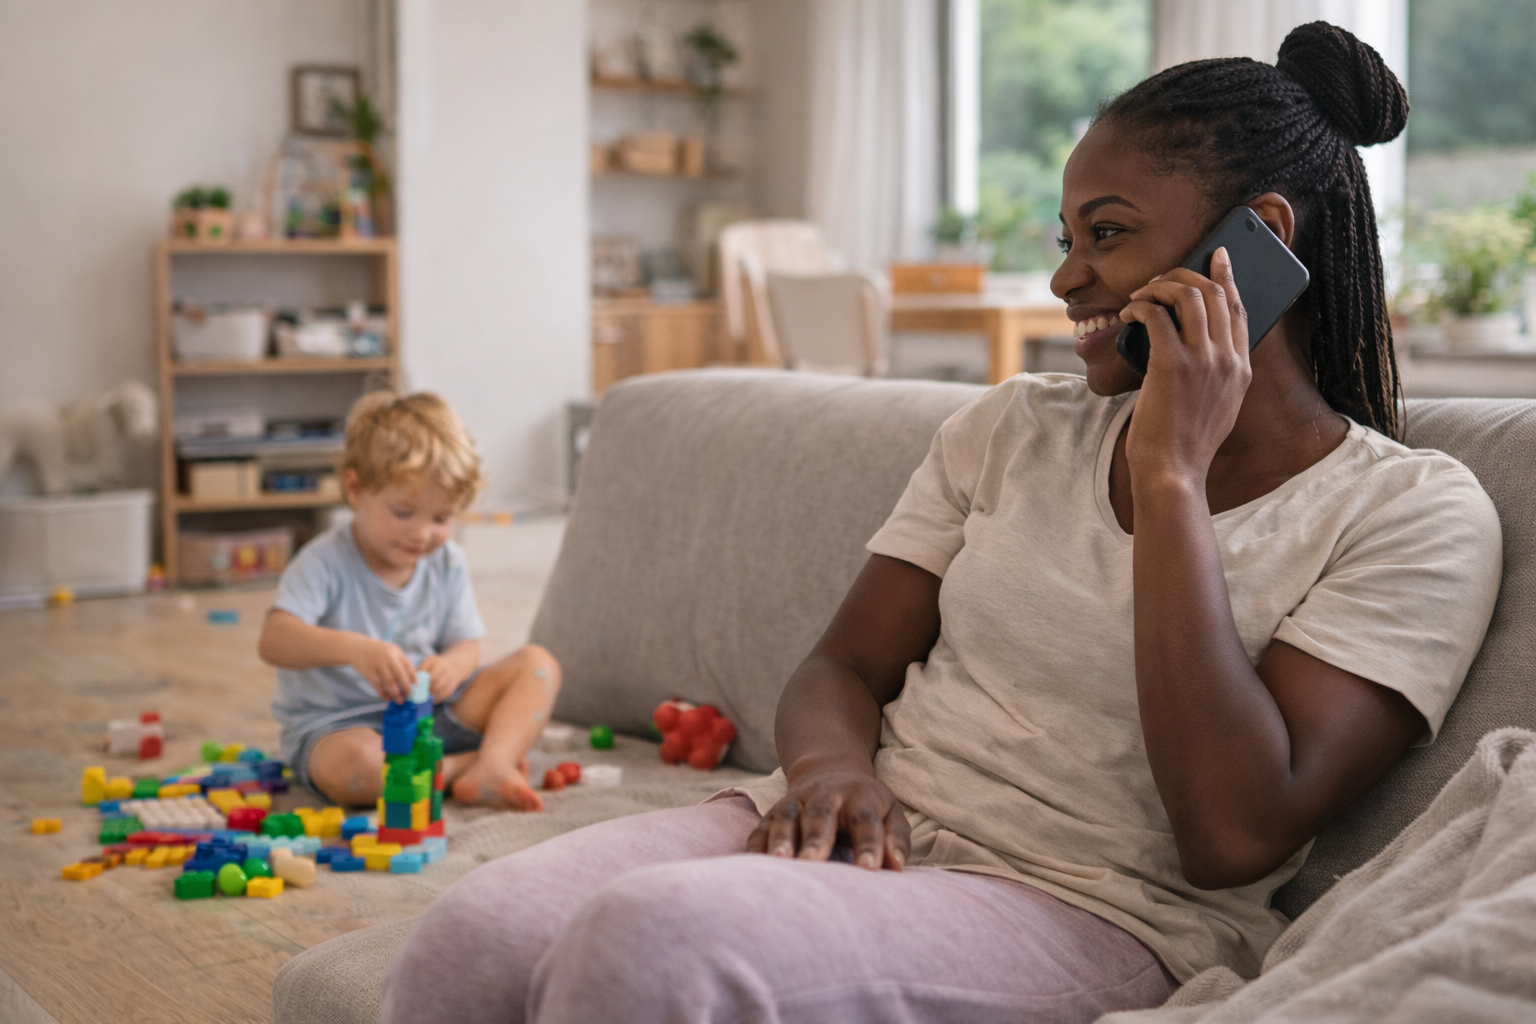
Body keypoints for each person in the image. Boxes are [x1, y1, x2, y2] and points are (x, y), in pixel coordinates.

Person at [379, 22, 1502, 1024]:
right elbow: (843, 665)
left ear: (1254, 240)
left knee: (654, 946)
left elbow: (1231, 832)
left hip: (1093, 909)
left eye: (1105, 233)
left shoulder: (1411, 515)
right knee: (474, 935)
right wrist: (824, 770)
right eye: (1065, 234)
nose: (1067, 277)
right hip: (857, 825)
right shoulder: (1016, 427)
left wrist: (1170, 476)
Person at [258, 391, 559, 811]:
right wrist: (352, 648)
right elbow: (274, 640)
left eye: (441, 518)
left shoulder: (446, 561)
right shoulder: (323, 562)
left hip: (429, 719)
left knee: (538, 667)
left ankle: (492, 765)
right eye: (403, 513)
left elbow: (466, 644)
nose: (422, 534)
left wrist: (452, 666)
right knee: (359, 769)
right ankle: (459, 769)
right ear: (355, 489)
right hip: (340, 728)